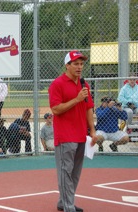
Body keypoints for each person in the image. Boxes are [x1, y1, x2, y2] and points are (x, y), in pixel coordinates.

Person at [49, 50, 97, 212]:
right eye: (75, 64)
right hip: (65, 136)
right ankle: (69, 206)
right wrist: (76, 99)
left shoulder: (84, 85)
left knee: (75, 173)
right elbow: (55, 109)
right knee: (65, 172)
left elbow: (88, 108)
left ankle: (64, 202)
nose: (79, 67)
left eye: (81, 64)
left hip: (80, 135)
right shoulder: (57, 84)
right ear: (67, 66)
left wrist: (92, 130)